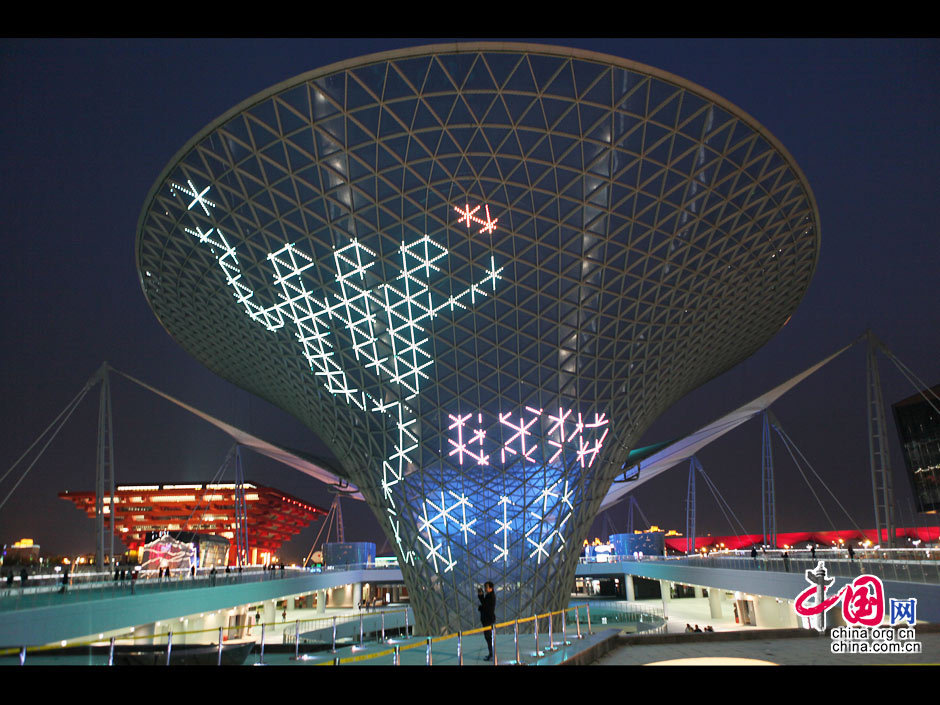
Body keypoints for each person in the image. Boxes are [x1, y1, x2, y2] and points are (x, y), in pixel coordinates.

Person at [477, 581, 496, 661]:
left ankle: (492, 654)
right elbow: (484, 604)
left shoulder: (491, 596)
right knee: (488, 637)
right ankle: (491, 654)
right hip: (487, 619)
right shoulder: (489, 595)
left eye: (486, 587)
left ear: (491, 588)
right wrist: (481, 596)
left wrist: (480, 608)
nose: (485, 589)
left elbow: (486, 607)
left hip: (488, 620)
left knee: (488, 637)